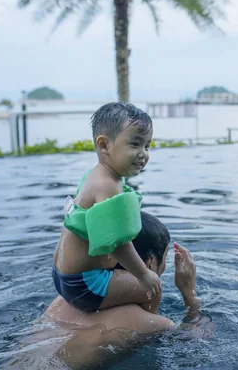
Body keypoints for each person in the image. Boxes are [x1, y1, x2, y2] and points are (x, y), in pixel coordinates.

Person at [44, 212, 201, 369]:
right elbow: (198, 342)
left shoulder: (66, 299)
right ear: (149, 264)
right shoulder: (155, 325)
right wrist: (189, 294)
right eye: (165, 258)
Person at [52, 102, 161, 314]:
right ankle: (151, 332)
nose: (143, 154)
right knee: (153, 288)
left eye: (147, 146)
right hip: (85, 285)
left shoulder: (94, 177)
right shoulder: (108, 185)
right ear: (103, 145)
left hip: (63, 276)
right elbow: (118, 243)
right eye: (135, 144)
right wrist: (144, 276)